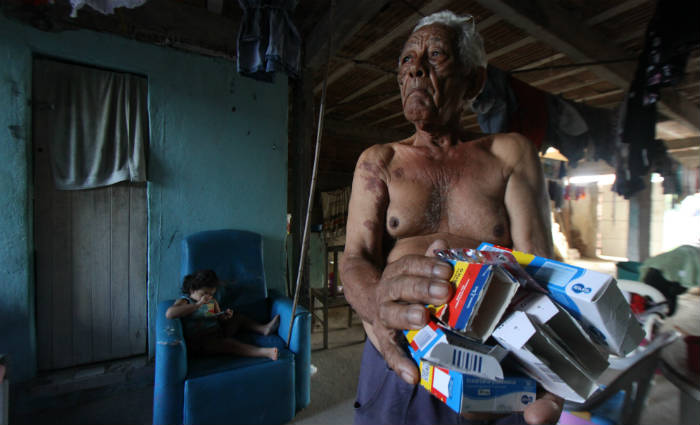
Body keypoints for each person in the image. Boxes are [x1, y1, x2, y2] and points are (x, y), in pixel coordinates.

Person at [339, 10, 563, 425]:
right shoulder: (379, 161)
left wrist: (554, 364)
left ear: (474, 81)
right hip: (406, 350)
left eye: (435, 55)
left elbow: (541, 266)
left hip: (497, 353)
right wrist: (378, 314)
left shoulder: (508, 154)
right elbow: (354, 259)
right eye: (406, 61)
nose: (416, 69)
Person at [166, 269, 280, 361]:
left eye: (211, 294)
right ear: (192, 290)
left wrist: (224, 316)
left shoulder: (212, 302)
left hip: (218, 332)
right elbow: (170, 313)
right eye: (204, 293)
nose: (208, 297)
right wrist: (198, 305)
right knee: (230, 345)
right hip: (201, 343)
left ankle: (263, 329)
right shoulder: (186, 301)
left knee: (239, 318)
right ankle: (265, 353)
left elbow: (218, 318)